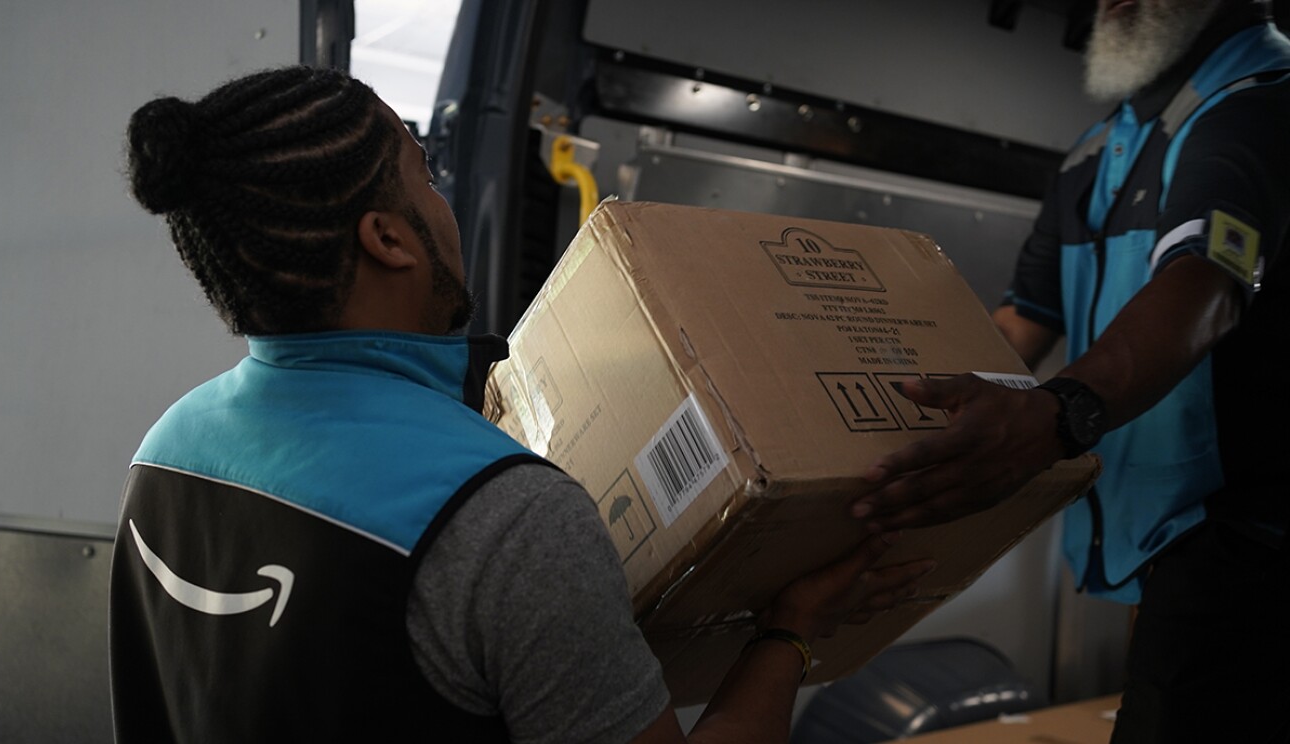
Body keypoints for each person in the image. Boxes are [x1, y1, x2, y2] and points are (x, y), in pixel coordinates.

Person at [109, 66, 934, 743]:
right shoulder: (504, 515)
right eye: (422, 174)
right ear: (388, 240)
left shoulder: (168, 446)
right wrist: (788, 634)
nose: (442, 202)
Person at [854, 1, 1290, 741]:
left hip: (1239, 546)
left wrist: (1059, 414)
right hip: (1151, 536)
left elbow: (1207, 285)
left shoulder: (1263, 100)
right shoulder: (1094, 155)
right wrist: (875, 425)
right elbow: (1019, 324)